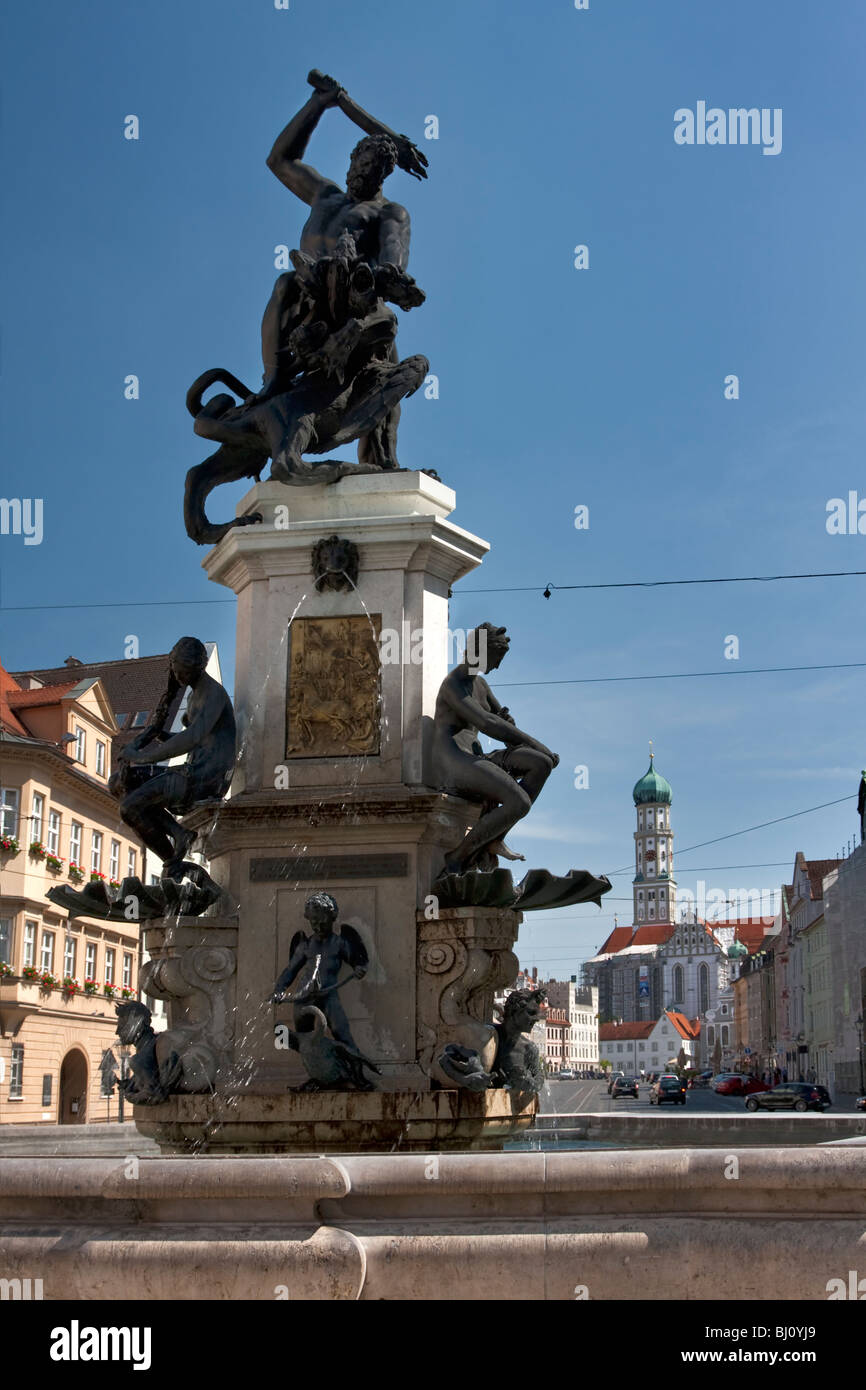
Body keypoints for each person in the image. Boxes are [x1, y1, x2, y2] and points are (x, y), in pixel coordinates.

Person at [432, 624, 559, 874]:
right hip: (453, 760)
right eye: (496, 659)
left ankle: (493, 838)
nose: (497, 667)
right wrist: (536, 744)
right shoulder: (453, 684)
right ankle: (457, 859)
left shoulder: (480, 686)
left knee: (540, 764)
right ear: (480, 650)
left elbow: (501, 723)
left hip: (476, 759)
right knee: (519, 801)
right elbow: (488, 723)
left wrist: (526, 741)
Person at [115, 637, 235, 879]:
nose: (178, 678)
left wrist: (145, 756)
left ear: (196, 666)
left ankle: (172, 859)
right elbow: (194, 738)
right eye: (176, 672)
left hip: (206, 779)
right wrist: (159, 733)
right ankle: (178, 835)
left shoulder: (215, 693)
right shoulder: (193, 695)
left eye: (182, 672)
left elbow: (193, 736)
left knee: (129, 808)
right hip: (191, 772)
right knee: (118, 781)